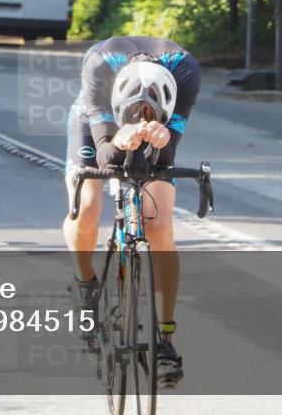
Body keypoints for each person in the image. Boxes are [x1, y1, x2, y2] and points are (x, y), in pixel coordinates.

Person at [63, 36, 201, 388]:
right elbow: (107, 156)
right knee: (89, 205)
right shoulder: (99, 66)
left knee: (158, 221)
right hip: (97, 121)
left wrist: (161, 136)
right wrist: (121, 139)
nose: (142, 117)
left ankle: (164, 339)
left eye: (150, 113)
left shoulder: (185, 71)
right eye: (139, 112)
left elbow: (164, 161)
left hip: (159, 122)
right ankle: (85, 285)